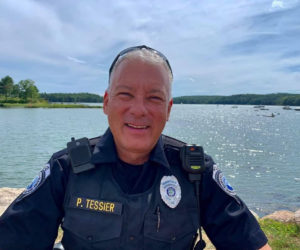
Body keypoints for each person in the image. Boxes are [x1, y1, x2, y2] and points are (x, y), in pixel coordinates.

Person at [0, 45, 271, 250]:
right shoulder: (67, 168)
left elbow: (250, 242)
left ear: (168, 108)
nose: (139, 110)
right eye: (125, 94)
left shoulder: (196, 172)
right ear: (106, 102)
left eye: (154, 97)